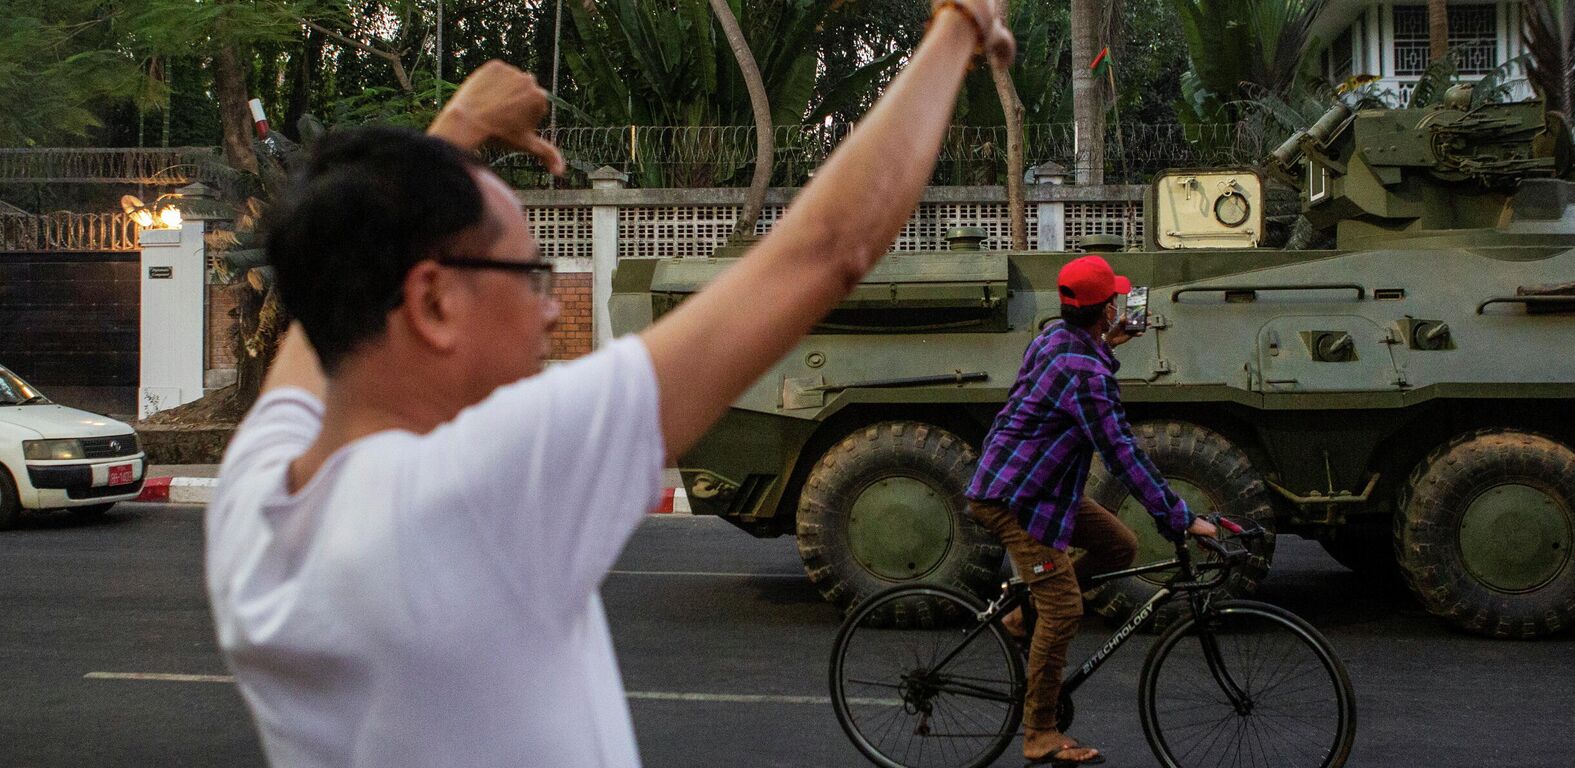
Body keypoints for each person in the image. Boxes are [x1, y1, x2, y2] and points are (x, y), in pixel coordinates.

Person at [203, 4, 1013, 766]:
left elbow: (334, 296)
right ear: (432, 300)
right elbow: (827, 249)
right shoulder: (472, 493)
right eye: (531, 275)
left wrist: (455, 132)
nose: (553, 311)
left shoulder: (256, 503)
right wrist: (959, 27)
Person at [965, 254, 1218, 767]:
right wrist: (1179, 515)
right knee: (1064, 610)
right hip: (1013, 499)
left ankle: (1021, 617)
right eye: (1113, 303)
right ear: (1103, 310)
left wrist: (1109, 341)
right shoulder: (1086, 375)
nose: (1119, 305)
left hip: (1044, 487)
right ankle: (1038, 731)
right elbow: (1122, 452)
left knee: (1119, 545)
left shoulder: (1055, 338)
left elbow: (1077, 363)